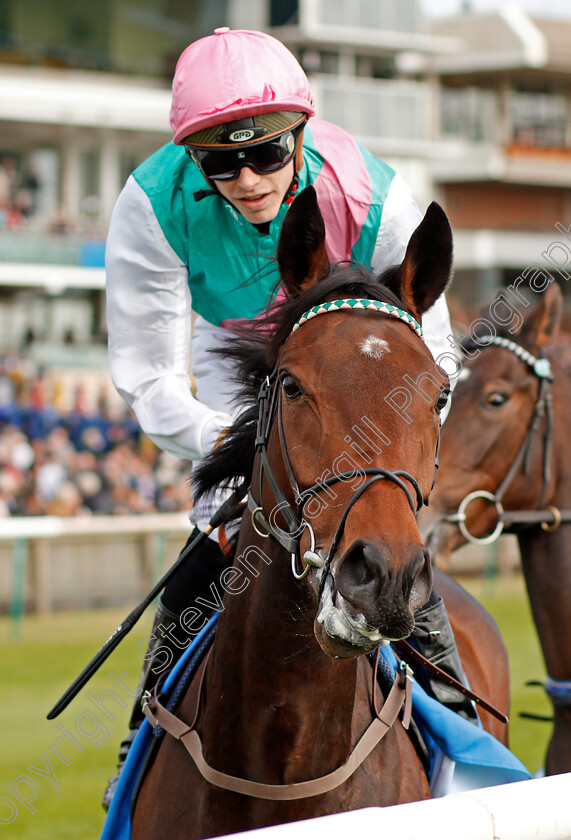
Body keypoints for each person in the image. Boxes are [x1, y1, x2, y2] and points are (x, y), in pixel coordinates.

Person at [103, 27, 462, 808]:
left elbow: (433, 363)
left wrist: (369, 458)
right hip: (234, 354)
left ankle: (462, 729)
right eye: (219, 161)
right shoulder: (150, 205)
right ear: (189, 158)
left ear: (301, 133)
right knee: (209, 558)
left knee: (399, 560)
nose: (246, 177)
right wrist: (251, 448)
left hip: (360, 370)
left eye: (267, 154)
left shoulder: (376, 195)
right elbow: (151, 379)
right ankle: (141, 742)